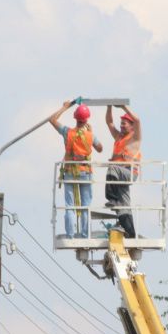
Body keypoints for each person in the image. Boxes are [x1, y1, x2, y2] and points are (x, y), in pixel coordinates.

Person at [49, 100, 103, 238]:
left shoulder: (67, 132)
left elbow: (52, 120)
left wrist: (64, 107)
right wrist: (91, 132)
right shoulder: (90, 135)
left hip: (70, 172)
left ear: (75, 118)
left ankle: (71, 235)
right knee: (85, 206)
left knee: (70, 205)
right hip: (85, 172)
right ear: (86, 119)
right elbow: (100, 148)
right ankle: (85, 235)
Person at [104, 104, 141, 238]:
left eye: (124, 123)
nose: (121, 126)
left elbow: (137, 121)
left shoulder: (135, 138)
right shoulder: (119, 137)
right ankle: (130, 232)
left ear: (131, 126)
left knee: (112, 167)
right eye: (121, 123)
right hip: (119, 176)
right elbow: (109, 122)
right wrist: (109, 107)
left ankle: (111, 197)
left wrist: (124, 107)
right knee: (123, 205)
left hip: (128, 173)